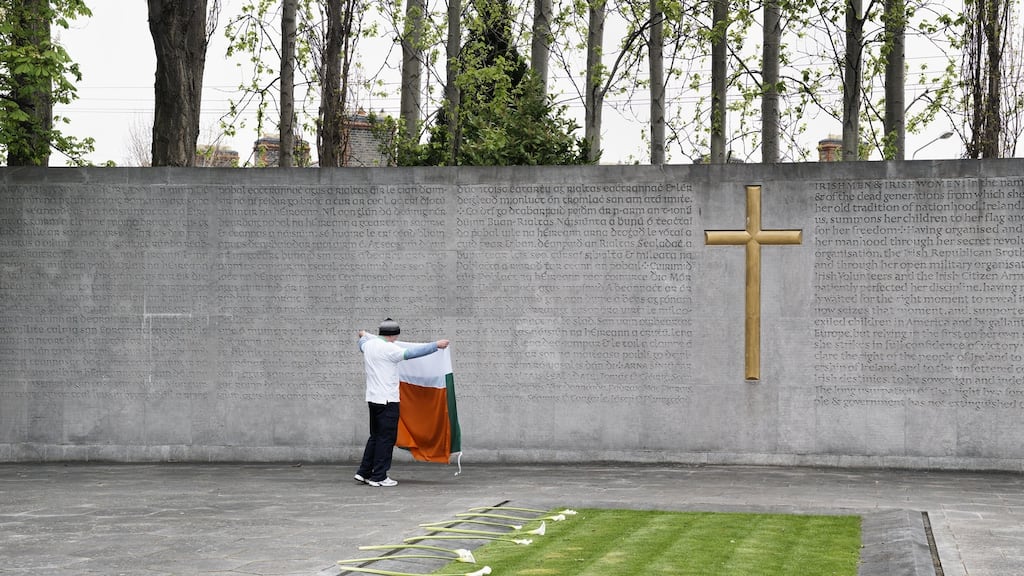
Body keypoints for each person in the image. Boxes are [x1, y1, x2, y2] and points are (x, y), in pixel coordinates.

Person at [354, 318, 449, 487]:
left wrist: (362, 335)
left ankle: (364, 472)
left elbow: (361, 342)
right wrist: (436, 345)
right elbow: (412, 353)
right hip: (388, 400)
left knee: (375, 437)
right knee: (386, 439)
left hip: (373, 399)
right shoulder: (391, 349)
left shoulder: (368, 345)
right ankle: (379, 477)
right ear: (394, 335)